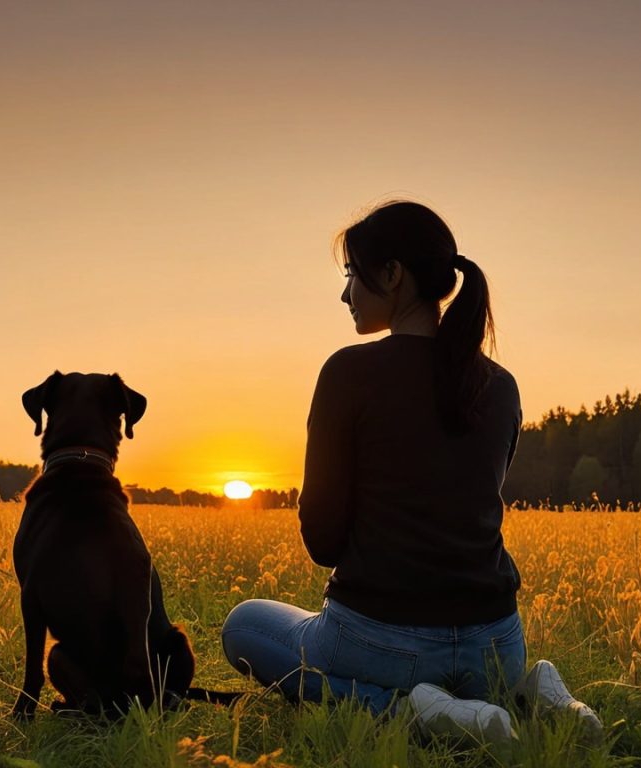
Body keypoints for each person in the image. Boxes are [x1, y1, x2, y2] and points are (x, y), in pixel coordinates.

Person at [221, 201, 601, 744]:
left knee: (245, 626)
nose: (345, 294)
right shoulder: (502, 386)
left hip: (382, 643)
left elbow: (324, 543)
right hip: (496, 643)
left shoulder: (348, 372)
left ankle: (410, 713)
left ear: (393, 274)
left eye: (353, 274)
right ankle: (527, 691)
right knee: (485, 675)